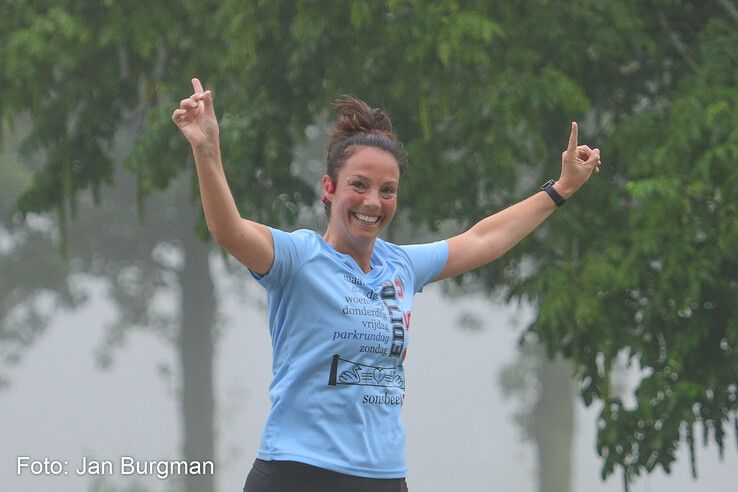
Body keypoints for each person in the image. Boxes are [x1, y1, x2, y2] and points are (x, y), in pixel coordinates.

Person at [172, 78, 601, 492]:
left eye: (388, 190)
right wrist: (207, 149)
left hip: (384, 477)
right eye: (359, 185)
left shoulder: (401, 266)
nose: (373, 202)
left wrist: (560, 188)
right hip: (298, 473)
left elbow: (483, 238)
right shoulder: (297, 258)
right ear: (329, 188)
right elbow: (228, 230)